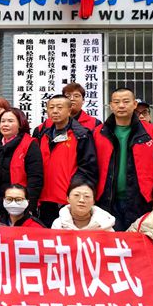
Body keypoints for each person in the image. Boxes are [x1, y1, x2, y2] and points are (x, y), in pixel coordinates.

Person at [93, 87, 153, 230]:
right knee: (111, 241)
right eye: (116, 102)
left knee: (140, 240)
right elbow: (90, 167)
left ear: (134, 104)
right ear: (111, 105)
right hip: (106, 201)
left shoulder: (151, 132)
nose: (121, 105)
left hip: (142, 201)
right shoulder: (98, 133)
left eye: (126, 101)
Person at [34, 95, 98, 227]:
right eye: (51, 108)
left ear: (69, 111)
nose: (55, 111)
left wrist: (75, 192)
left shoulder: (81, 135)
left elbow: (88, 168)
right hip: (45, 198)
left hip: (68, 200)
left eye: (59, 107)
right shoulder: (42, 134)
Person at [0, 108, 43, 218]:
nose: (5, 124)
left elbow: (35, 178)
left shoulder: (29, 144)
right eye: (3, 121)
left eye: (10, 121)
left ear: (20, 124)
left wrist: (30, 205)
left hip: (19, 202)